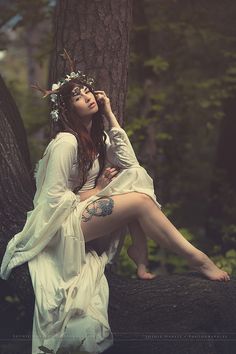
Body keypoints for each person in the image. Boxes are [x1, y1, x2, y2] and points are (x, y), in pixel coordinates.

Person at [0, 49, 230, 354]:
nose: (87, 97)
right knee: (139, 201)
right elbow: (50, 200)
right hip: (60, 229)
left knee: (134, 177)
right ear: (68, 110)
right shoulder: (65, 143)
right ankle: (192, 258)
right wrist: (98, 191)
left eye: (87, 92)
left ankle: (140, 251)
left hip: (85, 221)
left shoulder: (98, 141)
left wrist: (109, 115)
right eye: (78, 97)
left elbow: (132, 165)